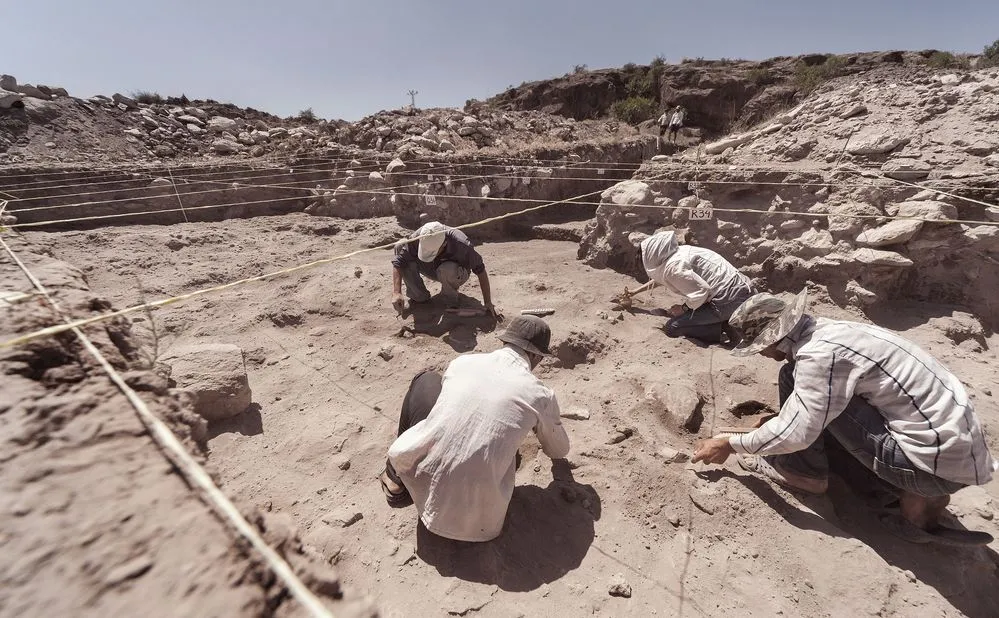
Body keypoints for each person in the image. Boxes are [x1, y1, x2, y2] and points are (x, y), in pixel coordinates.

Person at [691, 290, 997, 544]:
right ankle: (916, 496)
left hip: (930, 468)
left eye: (757, 347)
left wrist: (731, 444)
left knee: (809, 396)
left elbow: (798, 433)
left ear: (772, 340)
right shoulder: (832, 331)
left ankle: (804, 474)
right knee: (798, 378)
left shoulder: (820, 357)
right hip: (957, 455)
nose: (758, 354)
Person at [379, 315, 570, 542]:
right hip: (481, 526)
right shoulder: (541, 394)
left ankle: (396, 476)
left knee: (427, 381)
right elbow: (559, 450)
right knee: (506, 452)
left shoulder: (463, 362)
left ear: (505, 342)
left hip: (418, 491)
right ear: (537, 356)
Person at [623, 231, 756, 344]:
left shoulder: (674, 267)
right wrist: (635, 292)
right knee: (691, 313)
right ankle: (722, 321)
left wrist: (683, 308)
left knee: (673, 327)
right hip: (741, 288)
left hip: (728, 299)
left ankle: (720, 327)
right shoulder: (678, 253)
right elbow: (663, 278)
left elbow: (701, 292)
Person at [390, 221, 500, 318]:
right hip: (432, 267)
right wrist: (396, 292)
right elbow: (398, 261)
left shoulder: (461, 244)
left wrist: (488, 302)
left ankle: (451, 301)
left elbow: (480, 269)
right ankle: (419, 296)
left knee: (447, 269)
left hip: (456, 272)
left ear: (444, 244)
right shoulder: (421, 235)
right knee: (400, 246)